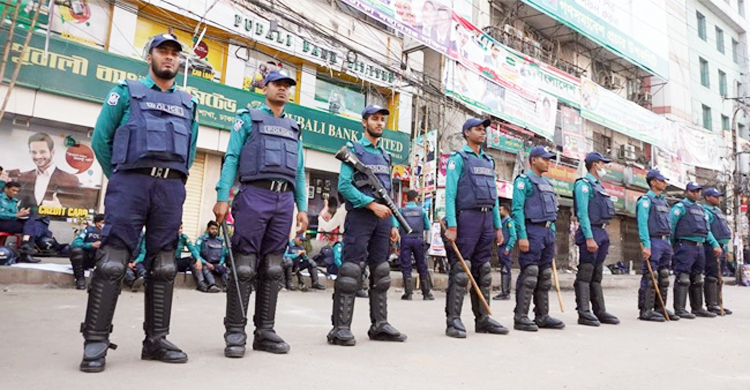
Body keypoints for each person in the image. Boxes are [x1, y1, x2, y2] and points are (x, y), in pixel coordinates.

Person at [79, 34, 199, 372]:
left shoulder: (188, 102)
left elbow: (190, 150)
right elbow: (102, 139)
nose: (169, 58)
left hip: (170, 188)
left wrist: (174, 181)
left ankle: (156, 340)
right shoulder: (125, 92)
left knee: (164, 265)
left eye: (175, 54)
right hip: (131, 182)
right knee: (113, 262)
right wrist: (119, 176)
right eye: (163, 51)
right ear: (150, 56)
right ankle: (96, 341)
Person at [213, 69, 308, 358]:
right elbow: (231, 157)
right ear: (264, 87)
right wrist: (222, 196)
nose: (282, 90)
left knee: (273, 268)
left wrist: (302, 207)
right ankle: (235, 331)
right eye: (277, 84)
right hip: (254, 195)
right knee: (244, 267)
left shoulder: (294, 128)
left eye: (287, 86)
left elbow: (300, 170)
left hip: (283, 200)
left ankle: (265, 331)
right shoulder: (247, 118)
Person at [327, 105, 406, 346]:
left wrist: (393, 222)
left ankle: (379, 324)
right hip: (361, 217)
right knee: (351, 271)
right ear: (364, 122)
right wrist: (371, 205)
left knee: (381, 272)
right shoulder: (353, 150)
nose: (379, 123)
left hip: (383, 220)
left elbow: (389, 193)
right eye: (375, 119)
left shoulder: (385, 156)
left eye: (382, 120)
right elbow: (344, 186)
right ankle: (340, 328)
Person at [443, 118, 508, 338]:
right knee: (461, 271)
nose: (483, 133)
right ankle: (453, 321)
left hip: (487, 219)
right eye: (478, 129)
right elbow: (450, 193)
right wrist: (452, 224)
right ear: (466, 132)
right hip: (466, 218)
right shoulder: (458, 159)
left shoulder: (489, 161)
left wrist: (498, 227)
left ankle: (483, 319)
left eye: (484, 130)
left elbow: (495, 197)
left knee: (484, 271)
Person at [511, 146, 565, 332]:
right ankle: (521, 317)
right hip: (532, 231)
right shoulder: (523, 181)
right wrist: (522, 236)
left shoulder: (548, 184)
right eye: (544, 159)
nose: (548, 162)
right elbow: (517, 209)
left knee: (545, 276)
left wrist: (553, 235)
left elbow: (553, 213)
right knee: (530, 274)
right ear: (533, 160)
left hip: (547, 233)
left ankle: (542, 315)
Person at [572, 152, 620, 326]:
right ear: (594, 165)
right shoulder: (583, 185)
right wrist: (588, 237)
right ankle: (584, 312)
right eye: (602, 164)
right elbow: (582, 213)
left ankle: (599, 310)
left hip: (601, 232)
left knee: (597, 274)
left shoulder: (599, 186)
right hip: (590, 231)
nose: (604, 167)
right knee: (585, 273)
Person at [670, 182, 722, 319]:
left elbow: (707, 230)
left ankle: (697, 308)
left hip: (699, 246)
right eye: (693, 191)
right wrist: (672, 245)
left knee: (698, 278)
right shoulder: (680, 207)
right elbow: (671, 227)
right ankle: (680, 309)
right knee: (683, 278)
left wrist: (714, 244)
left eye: (698, 191)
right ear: (687, 192)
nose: (696, 193)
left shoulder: (701, 209)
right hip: (685, 245)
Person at [636, 170, 675, 322]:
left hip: (665, 242)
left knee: (664, 276)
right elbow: (642, 223)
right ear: (653, 182)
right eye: (661, 180)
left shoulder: (663, 202)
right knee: (651, 275)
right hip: (653, 241)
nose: (664, 183)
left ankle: (661, 307)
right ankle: (646, 310)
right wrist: (646, 245)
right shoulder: (646, 200)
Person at [18, 132, 81, 207]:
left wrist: (60, 208)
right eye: (34, 152)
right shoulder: (24, 177)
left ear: (52, 152)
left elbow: (77, 208)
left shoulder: (70, 179)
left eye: (42, 152)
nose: (38, 156)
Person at [397, 190, 433, 301]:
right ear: (416, 198)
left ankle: (408, 293)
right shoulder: (421, 211)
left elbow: (397, 227)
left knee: (406, 265)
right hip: (418, 240)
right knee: (421, 265)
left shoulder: (401, 211)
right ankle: (426, 293)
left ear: (406, 198)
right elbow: (427, 227)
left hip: (405, 240)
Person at [702, 187, 733, 315]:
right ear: (707, 198)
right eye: (714, 196)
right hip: (711, 246)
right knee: (712, 276)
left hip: (722, 246)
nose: (718, 199)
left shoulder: (718, 211)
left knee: (719, 276)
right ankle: (711, 304)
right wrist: (715, 244)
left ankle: (718, 303)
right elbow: (706, 230)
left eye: (718, 196)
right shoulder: (705, 211)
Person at [0, 181, 38, 263]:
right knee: (30, 226)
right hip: (2, 222)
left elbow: (15, 214)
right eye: (13, 190)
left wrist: (21, 213)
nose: (15, 193)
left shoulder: (14, 201)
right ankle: (25, 249)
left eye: (17, 191)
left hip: (11, 222)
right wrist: (16, 215)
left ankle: (25, 245)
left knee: (30, 219)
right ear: (6, 189)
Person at [173, 223, 215, 293]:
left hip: (177, 262)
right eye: (178, 228)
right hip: (168, 262)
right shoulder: (168, 237)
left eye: (181, 228)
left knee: (193, 260)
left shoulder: (183, 237)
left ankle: (201, 283)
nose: (180, 230)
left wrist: (198, 259)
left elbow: (192, 249)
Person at [70, 214, 105, 290]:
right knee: (76, 251)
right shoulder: (88, 230)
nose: (104, 225)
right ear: (97, 223)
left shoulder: (108, 234)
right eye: (102, 223)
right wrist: (91, 245)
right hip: (87, 257)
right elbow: (75, 243)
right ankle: (80, 280)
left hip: (101, 260)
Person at [195, 221, 230, 292]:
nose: (214, 231)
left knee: (227, 271)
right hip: (205, 263)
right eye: (212, 229)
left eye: (216, 229)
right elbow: (196, 253)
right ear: (208, 229)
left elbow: (223, 254)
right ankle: (212, 284)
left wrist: (221, 263)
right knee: (205, 268)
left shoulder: (220, 240)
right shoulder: (202, 239)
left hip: (217, 264)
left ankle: (226, 286)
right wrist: (206, 263)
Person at [493, 204, 516, 300]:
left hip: (505, 248)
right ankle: (504, 291)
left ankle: (505, 292)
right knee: (503, 269)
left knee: (506, 270)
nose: (499, 211)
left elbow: (513, 236)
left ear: (506, 210)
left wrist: (508, 247)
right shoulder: (502, 221)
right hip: (501, 248)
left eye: (500, 209)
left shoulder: (509, 222)